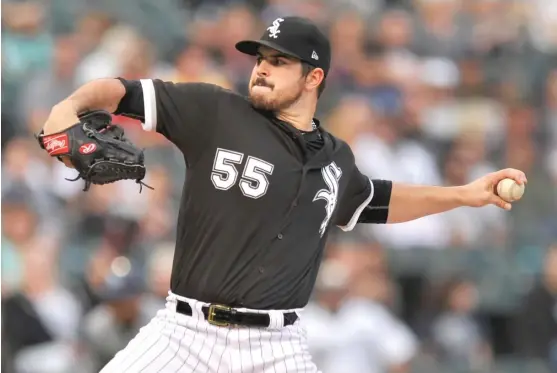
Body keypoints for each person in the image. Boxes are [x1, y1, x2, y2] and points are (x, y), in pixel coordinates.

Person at [41, 16, 527, 373]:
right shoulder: (215, 112)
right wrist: (68, 107)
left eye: (279, 61)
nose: (262, 68)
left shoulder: (335, 159)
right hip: (183, 335)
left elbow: (372, 201)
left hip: (276, 348)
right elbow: (118, 90)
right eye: (260, 58)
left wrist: (463, 194)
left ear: (314, 77)